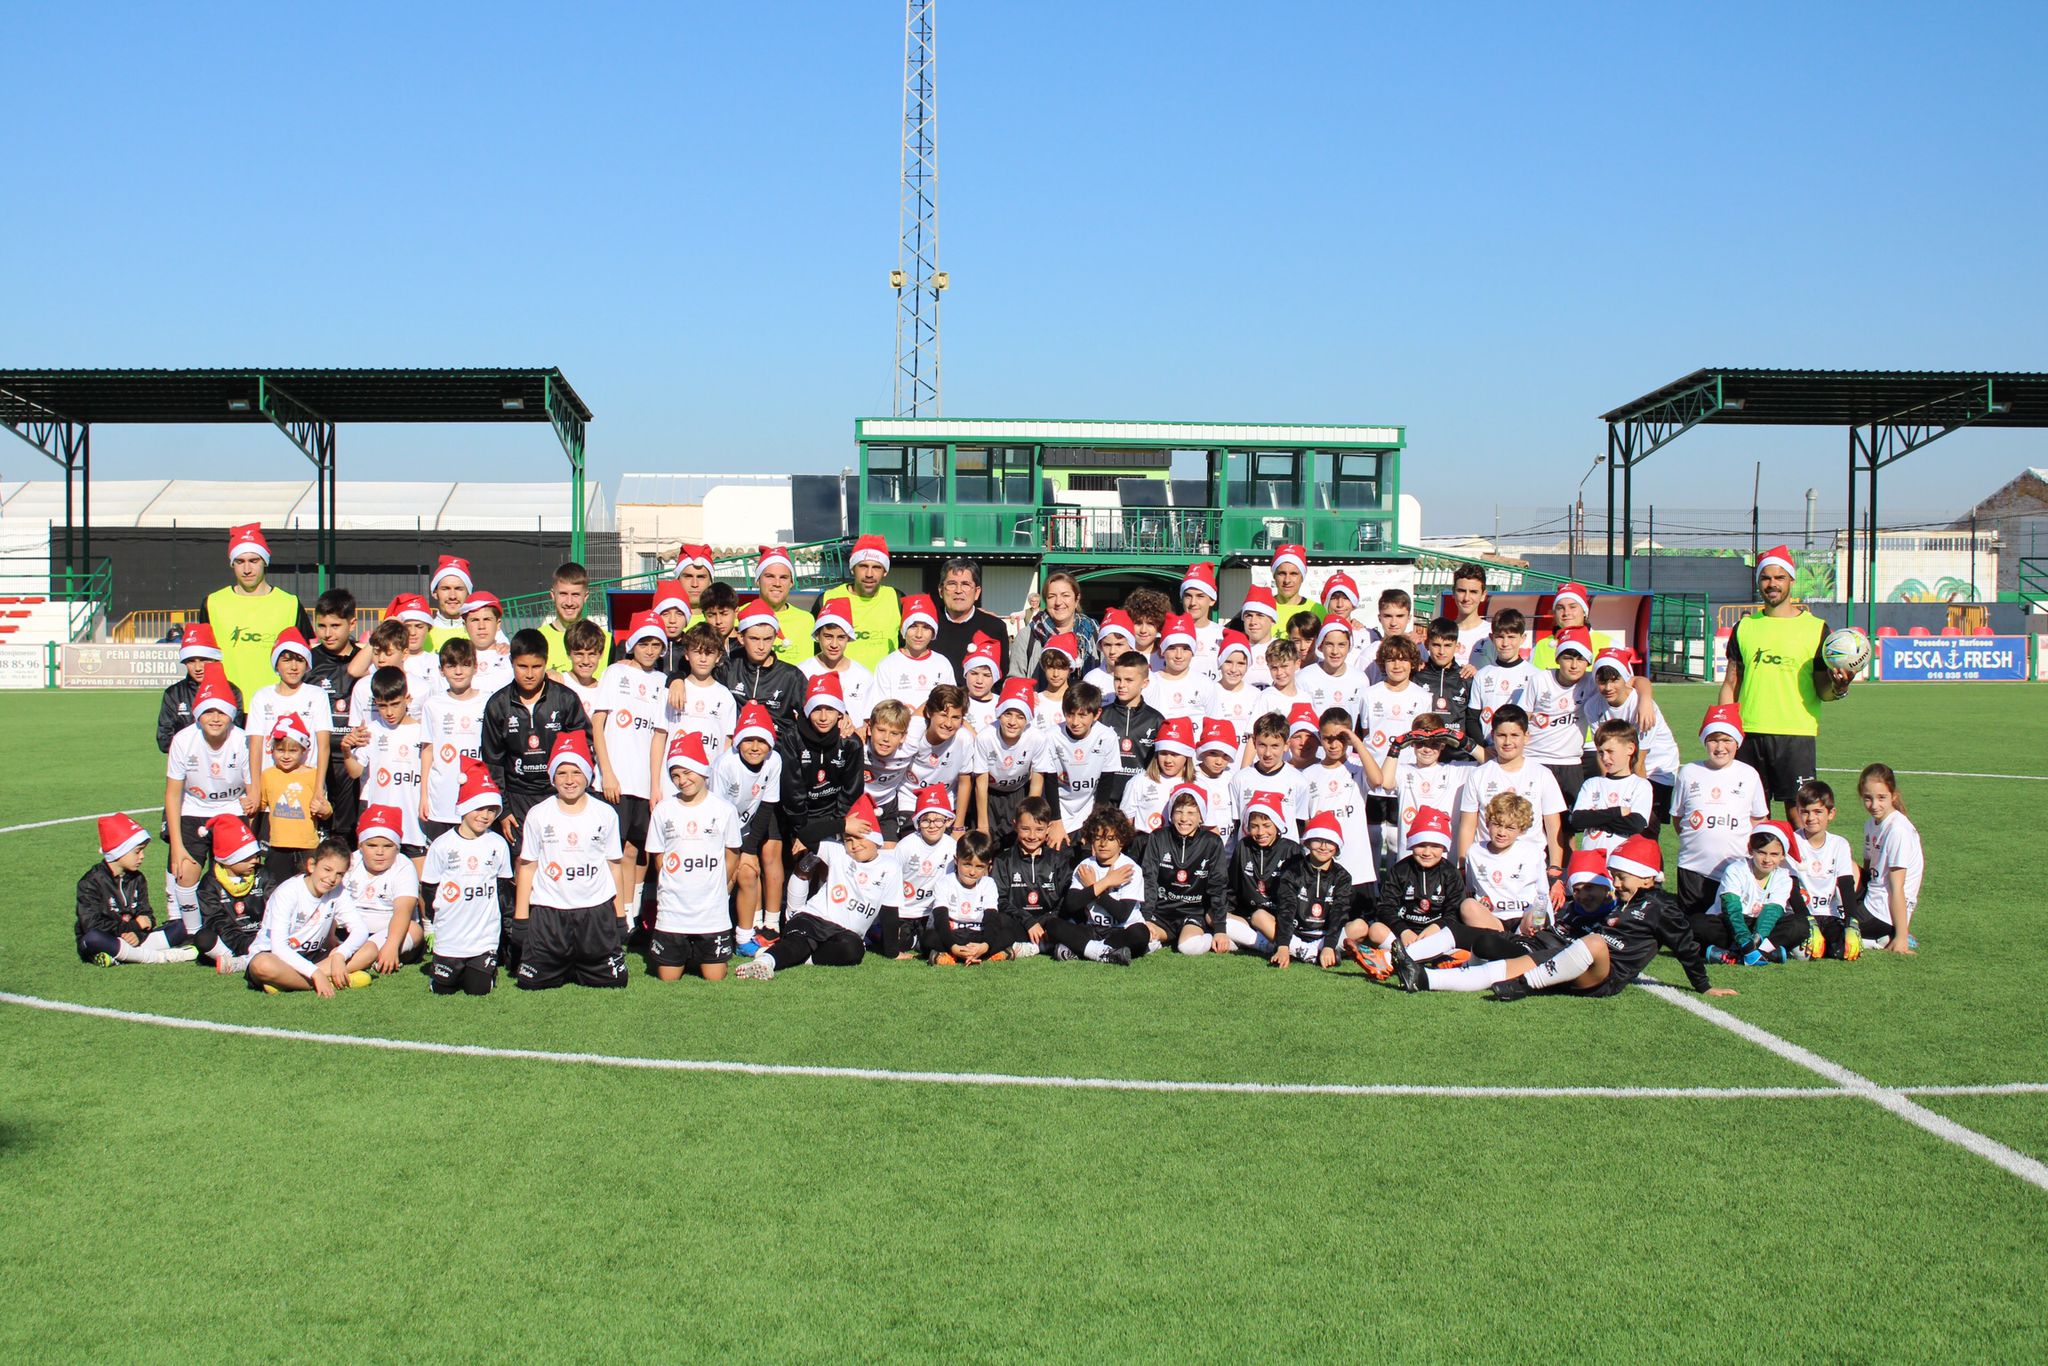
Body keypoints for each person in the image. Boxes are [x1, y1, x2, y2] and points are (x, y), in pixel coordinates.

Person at [1395, 835, 1736, 1001]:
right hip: (1571, 958)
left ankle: (1524, 987)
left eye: (1622, 877)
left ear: (1648, 878)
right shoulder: (1623, 901)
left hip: (1604, 976)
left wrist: (1704, 986)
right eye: (1614, 877)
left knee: (1594, 942)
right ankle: (1423, 978)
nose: (1617, 883)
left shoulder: (1662, 907)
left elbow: (1685, 946)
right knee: (1509, 965)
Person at [1719, 544, 1855, 814]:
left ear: (1791, 580)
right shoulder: (1745, 627)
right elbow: (1731, 683)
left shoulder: (1816, 628)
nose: (1772, 584)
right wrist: (1725, 729)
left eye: (1779, 577)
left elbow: (1822, 690)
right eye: (1766, 578)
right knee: (1751, 815)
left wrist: (1839, 688)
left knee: (1800, 815)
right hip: (1749, 732)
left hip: (1796, 734)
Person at [512, 732, 629, 990]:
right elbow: (528, 867)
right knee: (529, 984)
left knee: (615, 982)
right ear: (552, 777)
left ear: (588, 775)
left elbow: (614, 866)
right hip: (549, 914)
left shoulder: (605, 813)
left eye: (576, 772)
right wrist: (521, 919)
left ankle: (581, 961)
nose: (569, 780)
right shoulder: (538, 814)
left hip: (595, 913)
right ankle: (562, 961)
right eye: (562, 773)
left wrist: (620, 916)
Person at [736, 796, 901, 978]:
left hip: (844, 934)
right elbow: (805, 835)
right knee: (800, 943)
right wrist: (842, 825)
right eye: (849, 839)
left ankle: (800, 958)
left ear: (876, 839)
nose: (855, 845)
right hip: (812, 919)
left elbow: (890, 911)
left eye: (860, 838)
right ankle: (765, 962)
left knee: (854, 951)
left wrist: (892, 952)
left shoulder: (890, 866)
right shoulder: (838, 852)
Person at [591, 611, 675, 927]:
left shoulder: (663, 682)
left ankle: (630, 915)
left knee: (636, 851)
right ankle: (608, 916)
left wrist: (655, 786)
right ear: (632, 645)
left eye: (656, 644)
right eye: (644, 643)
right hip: (614, 781)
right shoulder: (615, 673)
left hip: (644, 783)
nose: (650, 650)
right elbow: (598, 724)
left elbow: (657, 736)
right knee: (610, 851)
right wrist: (607, 773)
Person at [480, 629, 594, 848]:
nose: (530, 674)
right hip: (518, 796)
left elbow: (585, 747)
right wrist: (503, 809)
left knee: (562, 854)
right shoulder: (498, 704)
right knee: (522, 860)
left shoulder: (565, 699)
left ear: (546, 662)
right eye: (522, 666)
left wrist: (577, 791)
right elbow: (492, 761)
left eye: (537, 666)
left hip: (558, 794)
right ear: (512, 662)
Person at [642, 732, 742, 982]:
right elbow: (659, 858)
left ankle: (701, 953)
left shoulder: (724, 810)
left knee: (715, 978)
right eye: (675, 775)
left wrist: (719, 887)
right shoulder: (663, 810)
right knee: (668, 979)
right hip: (673, 913)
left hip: (712, 914)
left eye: (687, 772)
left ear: (702, 770)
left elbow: (732, 855)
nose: (682, 780)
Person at [164, 665, 255, 918]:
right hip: (194, 809)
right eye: (208, 711)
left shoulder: (243, 741)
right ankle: (188, 928)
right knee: (184, 870)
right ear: (197, 714)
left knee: (234, 872)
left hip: (232, 810)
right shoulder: (183, 740)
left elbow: (252, 794)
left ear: (231, 715)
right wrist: (177, 846)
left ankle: (228, 924)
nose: (215, 718)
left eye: (222, 712)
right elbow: (173, 794)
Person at [420, 759, 514, 993]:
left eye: (491, 810)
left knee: (478, 989)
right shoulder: (442, 845)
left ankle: (486, 967)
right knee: (442, 990)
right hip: (449, 936)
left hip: (484, 938)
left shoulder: (497, 844)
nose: (485, 816)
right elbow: (429, 889)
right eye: (479, 808)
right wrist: (434, 921)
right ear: (464, 807)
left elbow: (503, 891)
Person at [1453, 705, 1566, 890]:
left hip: (1529, 865)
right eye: (1501, 735)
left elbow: (1554, 828)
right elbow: (1467, 826)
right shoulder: (1478, 775)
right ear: (1492, 735)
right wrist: (1463, 867)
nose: (1507, 742)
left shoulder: (1542, 774)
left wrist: (1554, 870)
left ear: (1526, 736)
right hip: (1487, 865)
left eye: (1514, 735)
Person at [1671, 704, 1769, 914]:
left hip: (1734, 867)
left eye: (1727, 740)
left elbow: (1759, 819)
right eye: (1714, 740)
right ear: (1705, 741)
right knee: (1693, 923)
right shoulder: (1689, 772)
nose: (1720, 747)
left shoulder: (1749, 774)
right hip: (1692, 865)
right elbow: (1678, 818)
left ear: (1737, 742)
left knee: (1729, 922)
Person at [202, 523, 308, 699]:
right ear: (232, 564)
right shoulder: (213, 603)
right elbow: (202, 657)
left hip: (275, 702)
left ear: (265, 561)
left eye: (253, 561)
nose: (247, 569)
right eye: (240, 561)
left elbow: (304, 656)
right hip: (227, 703)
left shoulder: (290, 604)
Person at [76, 814, 198, 966]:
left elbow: (147, 917)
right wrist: (134, 926)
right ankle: (160, 957)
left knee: (181, 927)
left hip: (132, 940)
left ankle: (122, 956)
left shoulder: (138, 878)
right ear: (119, 851)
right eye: (137, 851)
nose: (142, 856)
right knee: (93, 938)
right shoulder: (90, 882)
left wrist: (137, 934)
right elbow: (91, 925)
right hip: (106, 938)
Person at [245, 838, 360, 996]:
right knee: (262, 965)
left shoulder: (338, 890)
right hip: (278, 957)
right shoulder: (288, 892)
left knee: (370, 949)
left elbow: (360, 929)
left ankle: (288, 982)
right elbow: (279, 947)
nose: (332, 878)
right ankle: (325, 981)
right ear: (311, 865)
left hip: (315, 955)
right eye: (327, 869)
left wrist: (341, 955)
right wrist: (315, 973)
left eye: (339, 874)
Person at [713, 702, 784, 951]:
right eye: (748, 740)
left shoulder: (774, 761)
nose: (755, 747)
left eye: (761, 741)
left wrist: (750, 849)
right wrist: (734, 851)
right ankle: (713, 932)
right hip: (720, 832)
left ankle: (744, 938)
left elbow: (767, 805)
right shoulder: (725, 765)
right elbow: (717, 814)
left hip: (746, 829)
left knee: (748, 872)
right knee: (724, 878)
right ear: (737, 742)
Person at [1042, 807, 1148, 966]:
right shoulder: (1085, 866)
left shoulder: (1130, 868)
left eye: (1110, 838)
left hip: (1122, 930)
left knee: (1141, 933)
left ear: (1121, 841)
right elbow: (1071, 904)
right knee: (1052, 925)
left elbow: (1122, 914)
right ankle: (1104, 953)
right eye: (1098, 838)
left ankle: (1082, 950)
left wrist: (1093, 887)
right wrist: (1105, 882)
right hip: (1093, 929)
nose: (1103, 844)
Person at [334, 805, 427, 982]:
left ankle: (340, 965)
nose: (379, 852)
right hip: (349, 931)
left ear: (397, 848)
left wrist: (391, 945)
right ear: (360, 845)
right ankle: (336, 968)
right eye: (372, 845)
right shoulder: (349, 862)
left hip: (388, 934)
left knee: (414, 930)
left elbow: (403, 910)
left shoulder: (404, 866)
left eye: (387, 846)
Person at [1697, 821, 1809, 966]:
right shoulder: (1736, 870)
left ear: (1783, 856)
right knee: (1698, 924)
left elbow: (1772, 912)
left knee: (1800, 925)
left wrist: (1757, 939)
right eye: (1761, 852)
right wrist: (1745, 942)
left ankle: (1735, 955)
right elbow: (1731, 909)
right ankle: (1767, 954)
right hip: (1732, 923)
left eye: (1774, 854)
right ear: (1751, 850)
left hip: (1761, 928)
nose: (1767, 860)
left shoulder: (1784, 878)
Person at [346, 667, 428, 859]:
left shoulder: (423, 732)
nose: (389, 712)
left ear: (407, 699)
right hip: (380, 823)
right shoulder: (372, 731)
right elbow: (355, 772)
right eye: (383, 706)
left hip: (414, 824)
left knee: (419, 875)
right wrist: (346, 751)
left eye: (395, 704)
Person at [1140, 785, 1230, 955]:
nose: (1183, 818)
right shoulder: (1158, 837)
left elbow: (1218, 885)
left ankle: (1209, 937)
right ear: (1171, 814)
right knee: (1142, 939)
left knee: (1187, 947)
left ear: (1201, 816)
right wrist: (1146, 917)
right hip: (1161, 913)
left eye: (1191, 813)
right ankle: (1160, 940)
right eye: (1179, 811)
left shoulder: (1212, 842)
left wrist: (1220, 929)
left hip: (1192, 913)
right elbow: (1148, 879)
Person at [1031, 681, 1119, 847]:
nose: (1075, 722)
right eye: (1070, 714)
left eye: (1082, 715)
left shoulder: (1108, 737)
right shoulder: (1051, 736)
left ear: (1097, 714)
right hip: (1059, 810)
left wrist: (1095, 823)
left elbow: (1105, 785)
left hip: (1090, 811)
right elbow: (1049, 781)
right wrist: (1056, 821)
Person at [418, 637, 488, 846]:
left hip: (478, 797)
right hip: (441, 799)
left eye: (465, 665)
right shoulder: (432, 705)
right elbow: (427, 750)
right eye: (451, 666)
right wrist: (424, 796)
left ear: (475, 667)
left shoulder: (489, 701)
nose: (458, 672)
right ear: (441, 670)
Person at [244, 628, 330, 796]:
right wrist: (255, 789)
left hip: (306, 788)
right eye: (286, 660)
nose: (293, 667)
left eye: (300, 660)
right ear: (276, 664)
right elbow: (255, 745)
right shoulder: (262, 696)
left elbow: (324, 746)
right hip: (270, 788)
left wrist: (318, 789)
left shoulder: (317, 695)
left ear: (307, 664)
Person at [304, 589, 361, 834]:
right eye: (322, 626)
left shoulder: (364, 659)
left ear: (352, 623)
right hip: (317, 758)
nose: (328, 633)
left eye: (335, 626)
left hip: (354, 757)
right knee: (318, 827)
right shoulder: (309, 661)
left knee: (350, 829)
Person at [188, 814, 273, 975]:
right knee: (204, 938)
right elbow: (216, 921)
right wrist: (244, 944)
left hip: (262, 936)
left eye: (255, 855)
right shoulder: (209, 883)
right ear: (228, 859)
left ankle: (240, 962)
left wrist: (261, 938)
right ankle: (240, 958)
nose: (255, 861)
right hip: (229, 940)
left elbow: (276, 907)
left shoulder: (264, 874)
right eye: (247, 857)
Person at [1855, 763, 1924, 954]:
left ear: (1893, 796)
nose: (1874, 805)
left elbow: (1897, 887)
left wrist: (1902, 936)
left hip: (1883, 913)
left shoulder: (1897, 831)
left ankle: (1884, 938)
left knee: (1831, 929)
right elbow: (1867, 873)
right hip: (1873, 898)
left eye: (1881, 798)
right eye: (1868, 798)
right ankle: (1881, 936)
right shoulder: (1871, 824)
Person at [1222, 792, 1299, 959]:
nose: (1260, 832)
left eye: (1266, 825)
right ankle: (1266, 946)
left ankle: (1301, 950)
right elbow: (1233, 887)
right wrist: (1224, 912)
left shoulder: (1292, 850)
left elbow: (1296, 898)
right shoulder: (1243, 846)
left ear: (1277, 824)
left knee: (1260, 917)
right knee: (1214, 915)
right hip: (1249, 916)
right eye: (1254, 826)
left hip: (1282, 919)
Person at [1522, 625, 1592, 805]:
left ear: (1588, 662)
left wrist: (1645, 699)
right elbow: (1522, 718)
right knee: (1530, 816)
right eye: (1568, 658)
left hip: (1571, 762)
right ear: (1558, 659)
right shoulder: (1540, 680)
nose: (1574, 665)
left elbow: (1634, 681)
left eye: (1581, 659)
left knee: (1571, 820)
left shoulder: (1592, 682)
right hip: (1535, 759)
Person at [884, 785, 957, 958]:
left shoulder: (952, 847)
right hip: (905, 911)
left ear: (948, 821)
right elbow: (890, 881)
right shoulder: (906, 846)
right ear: (917, 822)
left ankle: (921, 940)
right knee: (898, 942)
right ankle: (911, 939)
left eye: (938, 820)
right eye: (926, 820)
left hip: (932, 912)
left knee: (939, 940)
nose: (932, 826)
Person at [1789, 780, 1859, 959]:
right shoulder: (1792, 842)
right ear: (1798, 812)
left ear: (1831, 813)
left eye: (1818, 812)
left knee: (1842, 952)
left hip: (1828, 915)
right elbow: (1791, 887)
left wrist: (1852, 923)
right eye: (1805, 812)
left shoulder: (1840, 844)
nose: (1811, 818)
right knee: (1807, 954)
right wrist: (1809, 921)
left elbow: (1846, 885)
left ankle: (1870, 940)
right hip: (1801, 916)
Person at [1281, 810, 1356, 970]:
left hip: (1324, 936)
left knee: (1360, 927)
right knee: (1260, 917)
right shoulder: (1293, 871)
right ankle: (1310, 953)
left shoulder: (1342, 877)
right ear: (1307, 842)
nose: (1323, 847)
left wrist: (1328, 945)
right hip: (1296, 933)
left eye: (1329, 841)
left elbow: (1339, 913)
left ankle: (1314, 951)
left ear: (1337, 846)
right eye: (1317, 840)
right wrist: (1283, 945)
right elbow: (1286, 909)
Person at [1566, 719, 1653, 855]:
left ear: (1630, 749)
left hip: (1621, 861)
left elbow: (1636, 825)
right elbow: (1578, 820)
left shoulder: (1640, 785)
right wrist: (1617, 812)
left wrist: (1594, 818)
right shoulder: (1591, 784)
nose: (1605, 758)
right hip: (1591, 860)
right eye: (1601, 752)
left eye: (1610, 751)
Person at [718, 598, 807, 730]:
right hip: (737, 740)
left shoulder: (791, 675)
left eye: (767, 639)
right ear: (741, 638)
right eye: (754, 639)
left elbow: (814, 712)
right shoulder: (728, 668)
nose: (761, 646)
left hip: (779, 742)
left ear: (775, 638)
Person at [819, 534, 901, 672]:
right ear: (852, 568)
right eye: (863, 566)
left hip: (883, 683)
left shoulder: (896, 598)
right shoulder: (827, 599)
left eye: (876, 567)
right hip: (840, 682)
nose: (869, 574)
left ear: (885, 571)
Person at [977, 678, 1046, 841]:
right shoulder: (985, 737)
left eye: (1020, 717)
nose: (1012, 722)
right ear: (999, 714)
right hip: (990, 795)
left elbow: (1037, 782)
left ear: (1028, 719)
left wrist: (1029, 818)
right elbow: (980, 784)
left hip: (1019, 793)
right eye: (1008, 714)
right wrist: (983, 826)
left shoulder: (1037, 738)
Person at [927, 831, 1012, 964]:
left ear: (988, 865)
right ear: (956, 860)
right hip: (953, 935)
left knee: (1009, 932)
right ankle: (960, 954)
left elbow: (991, 918)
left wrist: (984, 946)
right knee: (928, 937)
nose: (972, 872)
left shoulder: (988, 884)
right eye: (967, 864)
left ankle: (971, 954)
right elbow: (940, 919)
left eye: (980, 867)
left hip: (979, 935)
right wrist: (954, 947)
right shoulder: (944, 883)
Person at [994, 796, 1071, 939]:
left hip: (1049, 923)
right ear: (1015, 825)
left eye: (1039, 829)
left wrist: (1048, 920)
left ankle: (1047, 944)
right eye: (1025, 829)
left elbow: (1065, 897)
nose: (1032, 836)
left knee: (1064, 924)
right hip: (1018, 922)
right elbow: (1000, 899)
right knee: (999, 921)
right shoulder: (1003, 860)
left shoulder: (1058, 860)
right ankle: (1023, 945)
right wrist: (1028, 921)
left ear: (1048, 828)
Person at [157, 622, 241, 753]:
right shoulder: (173, 693)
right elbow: (164, 739)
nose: (198, 668)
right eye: (191, 661)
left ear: (215, 659)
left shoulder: (233, 692)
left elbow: (236, 734)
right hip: (185, 762)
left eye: (203, 660)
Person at [258, 715, 323, 883]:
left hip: (307, 845)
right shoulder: (268, 775)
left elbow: (326, 808)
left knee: (308, 886)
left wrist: (323, 809)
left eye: (293, 751)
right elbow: (261, 804)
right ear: (272, 750)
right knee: (276, 887)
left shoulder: (313, 775)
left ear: (303, 750)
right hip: (278, 844)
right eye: (280, 750)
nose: (286, 756)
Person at [1098, 651, 1164, 810]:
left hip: (1140, 802)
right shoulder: (1101, 716)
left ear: (1144, 683)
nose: (1121, 685)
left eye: (1129, 680)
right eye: (1117, 679)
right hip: (1105, 801)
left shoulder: (1155, 720)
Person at [800, 598, 878, 732]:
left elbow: (869, 719)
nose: (834, 644)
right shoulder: (801, 672)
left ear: (849, 638)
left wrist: (859, 733)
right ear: (817, 635)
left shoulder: (864, 676)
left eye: (841, 637)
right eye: (828, 636)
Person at [1119, 716, 1197, 844]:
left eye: (1175, 754)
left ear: (1187, 756)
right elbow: (1125, 824)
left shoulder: (1197, 785)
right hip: (1145, 847)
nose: (1168, 760)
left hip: (1183, 849)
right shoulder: (1139, 782)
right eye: (1163, 753)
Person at [1413, 619, 1484, 760]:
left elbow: (1473, 720)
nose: (1441, 651)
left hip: (1459, 756)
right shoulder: (1417, 675)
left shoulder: (1467, 677)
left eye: (1447, 645)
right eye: (1436, 645)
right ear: (1427, 644)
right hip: (1425, 753)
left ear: (1457, 646)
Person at [875, 594, 956, 713]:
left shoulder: (942, 663)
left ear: (933, 632)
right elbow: (881, 710)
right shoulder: (887, 664)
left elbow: (951, 705)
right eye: (913, 626)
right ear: (904, 629)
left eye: (926, 627)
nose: (919, 634)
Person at [931, 558, 1012, 677]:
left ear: (977, 592)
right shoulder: (928, 625)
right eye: (952, 584)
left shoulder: (994, 628)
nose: (958, 591)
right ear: (940, 591)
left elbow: (1001, 676)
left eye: (966, 585)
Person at [1013, 570, 1098, 679]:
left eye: (1065, 595)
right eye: (1052, 596)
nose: (1058, 602)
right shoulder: (1027, 636)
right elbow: (1014, 681)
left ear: (1076, 599)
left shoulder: (1092, 633)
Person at [1471, 608, 1535, 747]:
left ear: (1523, 638)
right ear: (1491, 638)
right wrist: (1484, 749)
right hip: (1489, 750)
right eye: (1500, 637)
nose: (1505, 643)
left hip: (1524, 752)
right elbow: (1472, 718)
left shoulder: (1535, 676)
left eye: (1511, 637)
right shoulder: (1482, 675)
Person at [538, 561, 606, 677]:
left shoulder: (606, 640)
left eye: (575, 595)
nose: (569, 602)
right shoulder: (538, 639)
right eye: (563, 594)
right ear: (553, 595)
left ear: (585, 597)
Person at [1144, 613, 1215, 723]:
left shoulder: (1205, 683)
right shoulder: (1150, 683)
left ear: (1193, 651)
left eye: (1185, 649)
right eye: (1172, 648)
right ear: (1162, 651)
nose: (1179, 655)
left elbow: (1215, 722)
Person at [752, 545, 815, 665]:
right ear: (757, 581)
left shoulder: (806, 620)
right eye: (769, 576)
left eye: (783, 577)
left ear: (791, 582)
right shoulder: (738, 617)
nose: (777, 583)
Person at [1178, 562, 1226, 678]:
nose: (1193, 603)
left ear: (1212, 600)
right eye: (1188, 596)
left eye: (1200, 596)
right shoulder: (1169, 632)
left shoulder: (1223, 635)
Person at [1268, 544, 1322, 635]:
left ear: (1302, 577)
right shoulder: (1261, 610)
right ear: (1274, 576)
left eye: (1293, 574)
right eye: (1282, 573)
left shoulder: (1317, 610)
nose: (1287, 580)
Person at [1450, 563, 1494, 670]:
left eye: (1473, 592)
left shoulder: (1493, 633)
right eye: (1461, 591)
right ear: (1453, 593)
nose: (1466, 598)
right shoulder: (1442, 632)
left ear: (1483, 595)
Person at [424, 555, 473, 647]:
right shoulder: (422, 634)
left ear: (468, 594)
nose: (452, 596)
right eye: (445, 589)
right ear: (434, 593)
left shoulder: (480, 632)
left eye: (459, 589)